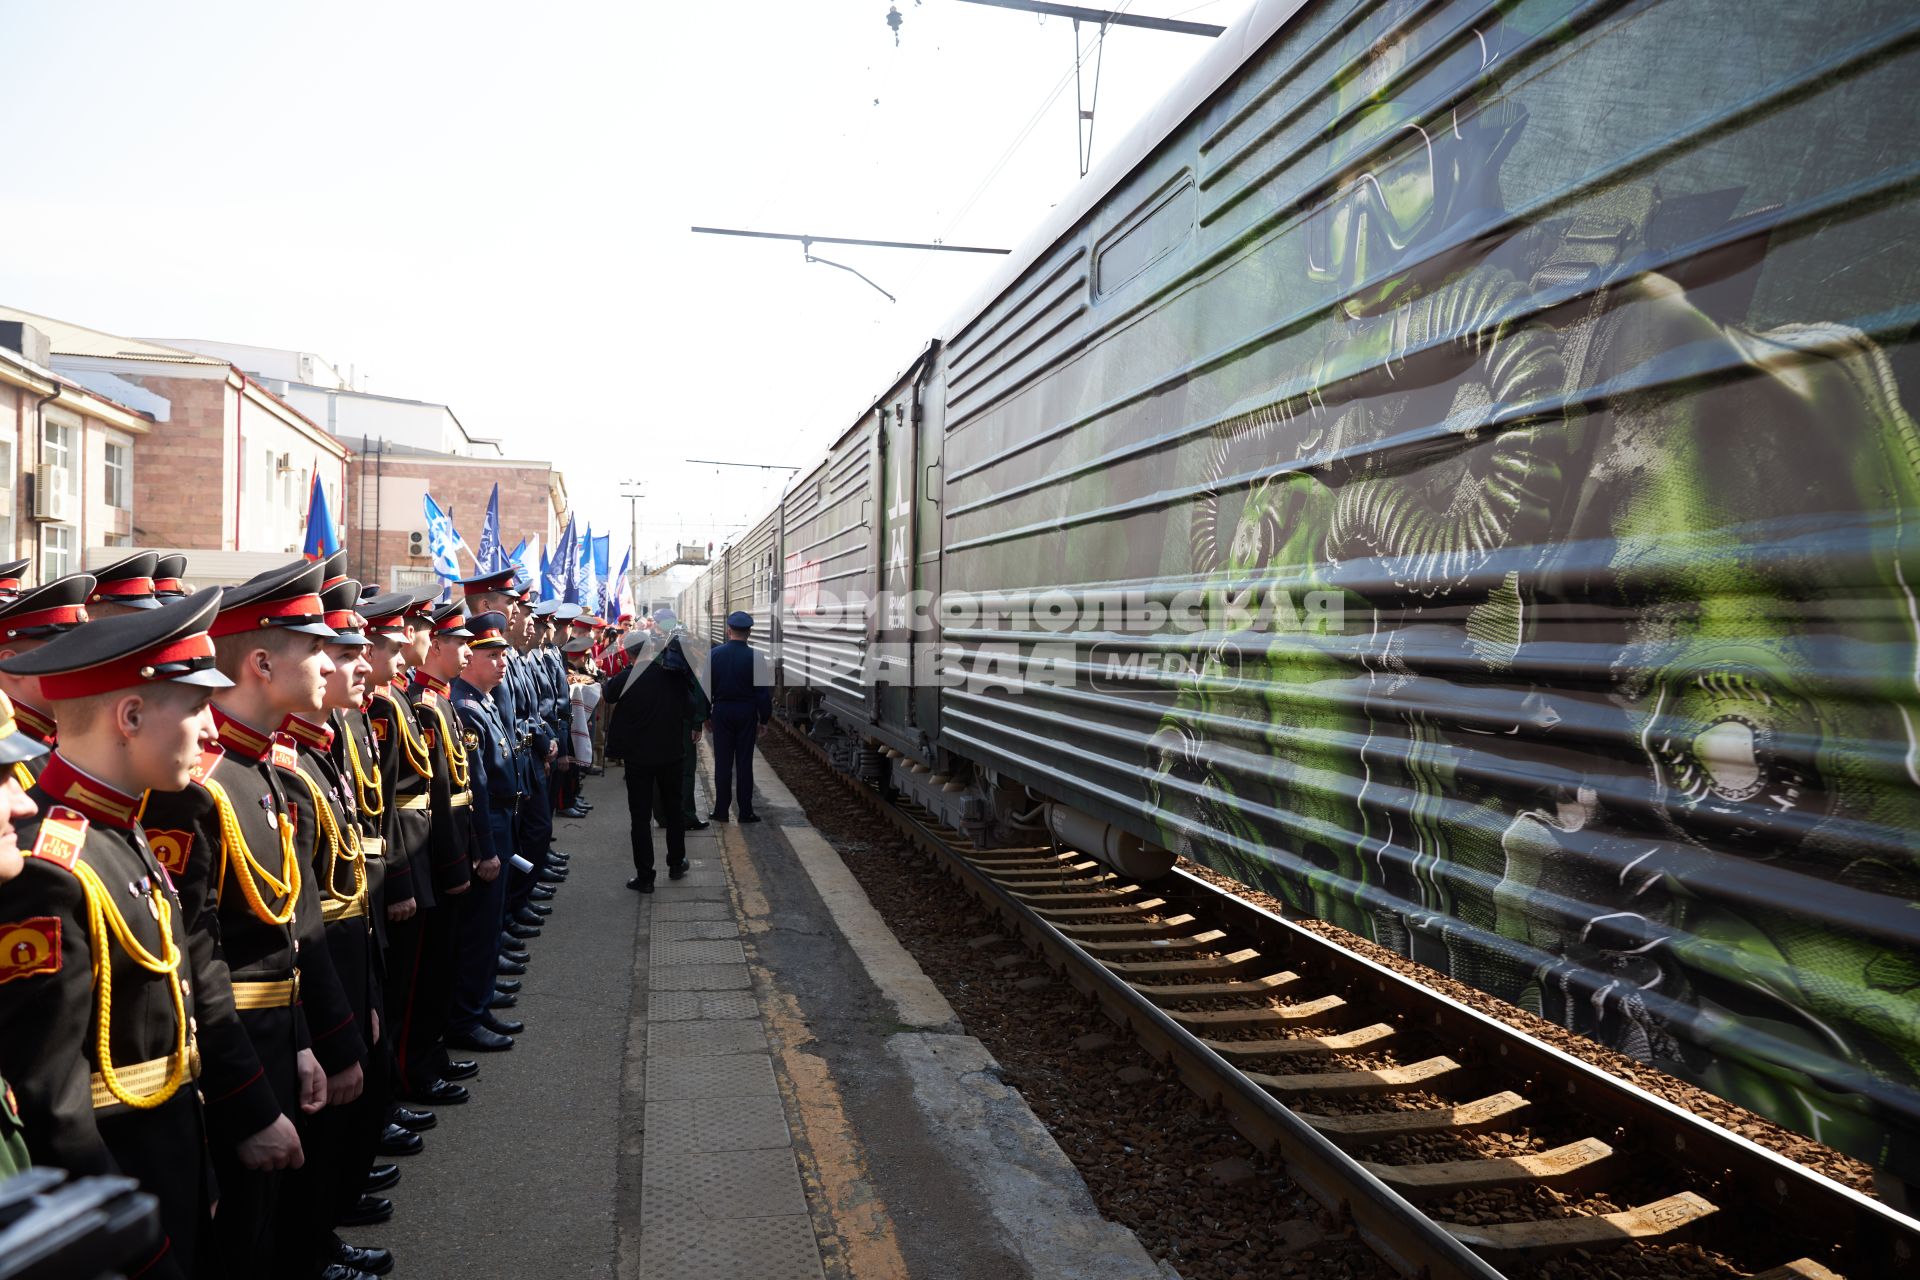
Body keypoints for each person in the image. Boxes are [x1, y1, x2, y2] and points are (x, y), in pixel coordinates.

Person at [138, 559, 369, 1279]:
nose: (330, 664)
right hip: (231, 1053)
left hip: (274, 1038)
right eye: (314, 650)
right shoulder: (197, 790)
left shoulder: (264, 771)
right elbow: (198, 960)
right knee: (239, 1246)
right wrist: (243, 1097)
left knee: (266, 1234)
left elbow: (286, 937)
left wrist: (306, 1039)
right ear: (263, 662)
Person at [0, 591, 229, 1280]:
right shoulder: (52, 870)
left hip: (166, 1153)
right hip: (120, 1184)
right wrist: (128, 1236)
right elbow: (54, 1106)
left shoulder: (122, 824)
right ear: (130, 715)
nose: (210, 726)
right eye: (194, 707)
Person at [410, 603, 515, 1054]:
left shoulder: (457, 703)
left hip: (495, 823)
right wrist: (482, 846)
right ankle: (466, 1017)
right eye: (465, 646)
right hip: (476, 832)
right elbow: (470, 787)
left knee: (485, 930)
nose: (473, 655)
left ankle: (477, 1005)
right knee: (472, 936)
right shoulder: (455, 706)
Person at [604, 631, 700, 892]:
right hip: (671, 755)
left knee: (640, 818)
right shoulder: (673, 677)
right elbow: (691, 708)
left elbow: (608, 694)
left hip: (638, 759)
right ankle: (677, 862)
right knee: (674, 810)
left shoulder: (626, 678)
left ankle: (645, 877)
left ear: (629, 653)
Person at [708, 611, 772, 824]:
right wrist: (764, 720)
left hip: (722, 712)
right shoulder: (757, 657)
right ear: (749, 632)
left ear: (728, 630)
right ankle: (746, 812)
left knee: (723, 763)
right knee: (744, 763)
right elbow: (764, 693)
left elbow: (705, 689)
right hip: (746, 713)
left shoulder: (714, 655)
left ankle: (721, 811)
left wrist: (705, 715)